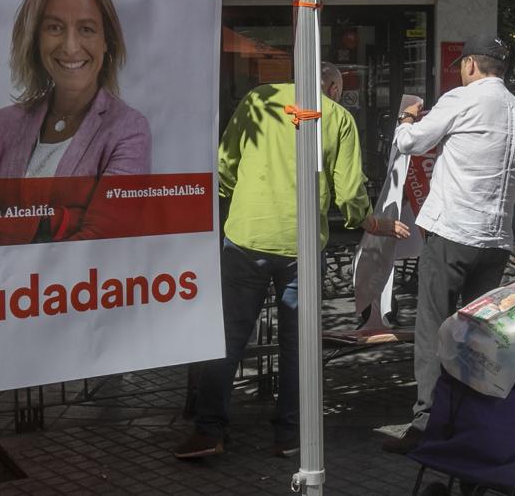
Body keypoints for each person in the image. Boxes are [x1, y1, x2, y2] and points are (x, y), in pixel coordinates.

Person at [174, 63, 408, 460]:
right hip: (300, 247)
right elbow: (349, 192)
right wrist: (370, 221)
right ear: (332, 86)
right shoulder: (338, 117)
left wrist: (235, 195)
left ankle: (209, 430)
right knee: (298, 346)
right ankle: (289, 436)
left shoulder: (258, 99)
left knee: (228, 339)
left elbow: (225, 165)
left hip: (246, 237)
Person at [382, 34, 515, 454]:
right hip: (495, 239)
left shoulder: (461, 99)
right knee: (479, 337)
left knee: (434, 329)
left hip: (451, 234)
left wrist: (408, 118)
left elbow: (409, 143)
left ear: (469, 66)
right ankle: (473, 423)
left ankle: (428, 421)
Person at [0, 0, 149, 242]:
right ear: (35, 38)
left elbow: (103, 242)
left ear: (106, 40)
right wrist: (64, 221)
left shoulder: (129, 130)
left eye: (86, 29)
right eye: (54, 28)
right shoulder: (4, 124)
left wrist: (4, 223)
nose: (71, 46)